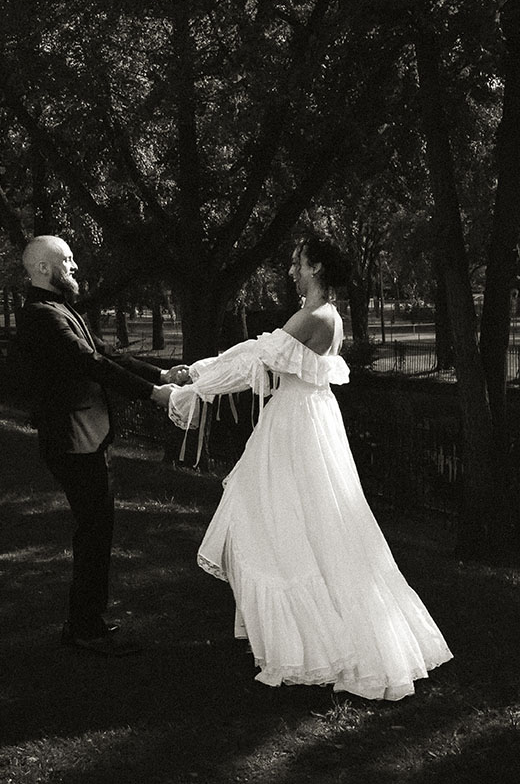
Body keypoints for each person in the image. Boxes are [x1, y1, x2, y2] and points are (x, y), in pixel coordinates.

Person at [169, 236, 453, 699]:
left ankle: (307, 643)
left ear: (316, 267)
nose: (292, 271)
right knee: (303, 524)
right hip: (306, 419)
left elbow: (254, 364)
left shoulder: (314, 317)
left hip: (297, 425)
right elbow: (254, 352)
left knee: (279, 521)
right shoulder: (324, 316)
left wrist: (191, 389)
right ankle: (292, 634)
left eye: (297, 263)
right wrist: (198, 372)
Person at [16, 235, 188, 655]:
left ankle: (86, 622)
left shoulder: (60, 307)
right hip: (73, 440)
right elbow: (88, 363)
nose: (74, 267)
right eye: (67, 260)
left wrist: (160, 375)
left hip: (88, 437)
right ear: (42, 268)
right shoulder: (40, 314)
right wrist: (153, 395)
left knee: (97, 531)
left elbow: (104, 351)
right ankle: (83, 628)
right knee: (93, 532)